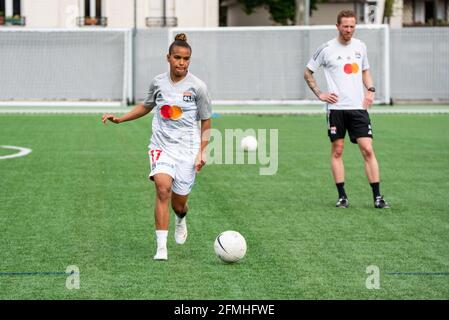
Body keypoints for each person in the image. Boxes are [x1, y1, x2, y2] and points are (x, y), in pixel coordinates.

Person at [102, 33, 212, 260]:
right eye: (177, 57)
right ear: (168, 57)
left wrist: (202, 151)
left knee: (179, 204)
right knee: (163, 188)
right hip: (161, 145)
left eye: (186, 59)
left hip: (187, 150)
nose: (181, 62)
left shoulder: (199, 87)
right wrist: (121, 119)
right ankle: (161, 247)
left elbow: (206, 120)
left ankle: (181, 218)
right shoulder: (158, 82)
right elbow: (146, 106)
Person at [304, 10, 389, 209]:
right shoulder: (326, 49)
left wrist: (370, 89)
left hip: (359, 108)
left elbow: (365, 71)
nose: (348, 30)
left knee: (368, 149)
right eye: (345, 26)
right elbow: (308, 72)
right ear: (338, 26)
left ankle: (377, 197)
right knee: (338, 150)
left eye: (352, 26)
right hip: (336, 109)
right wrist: (320, 93)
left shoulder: (361, 46)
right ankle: (342, 197)